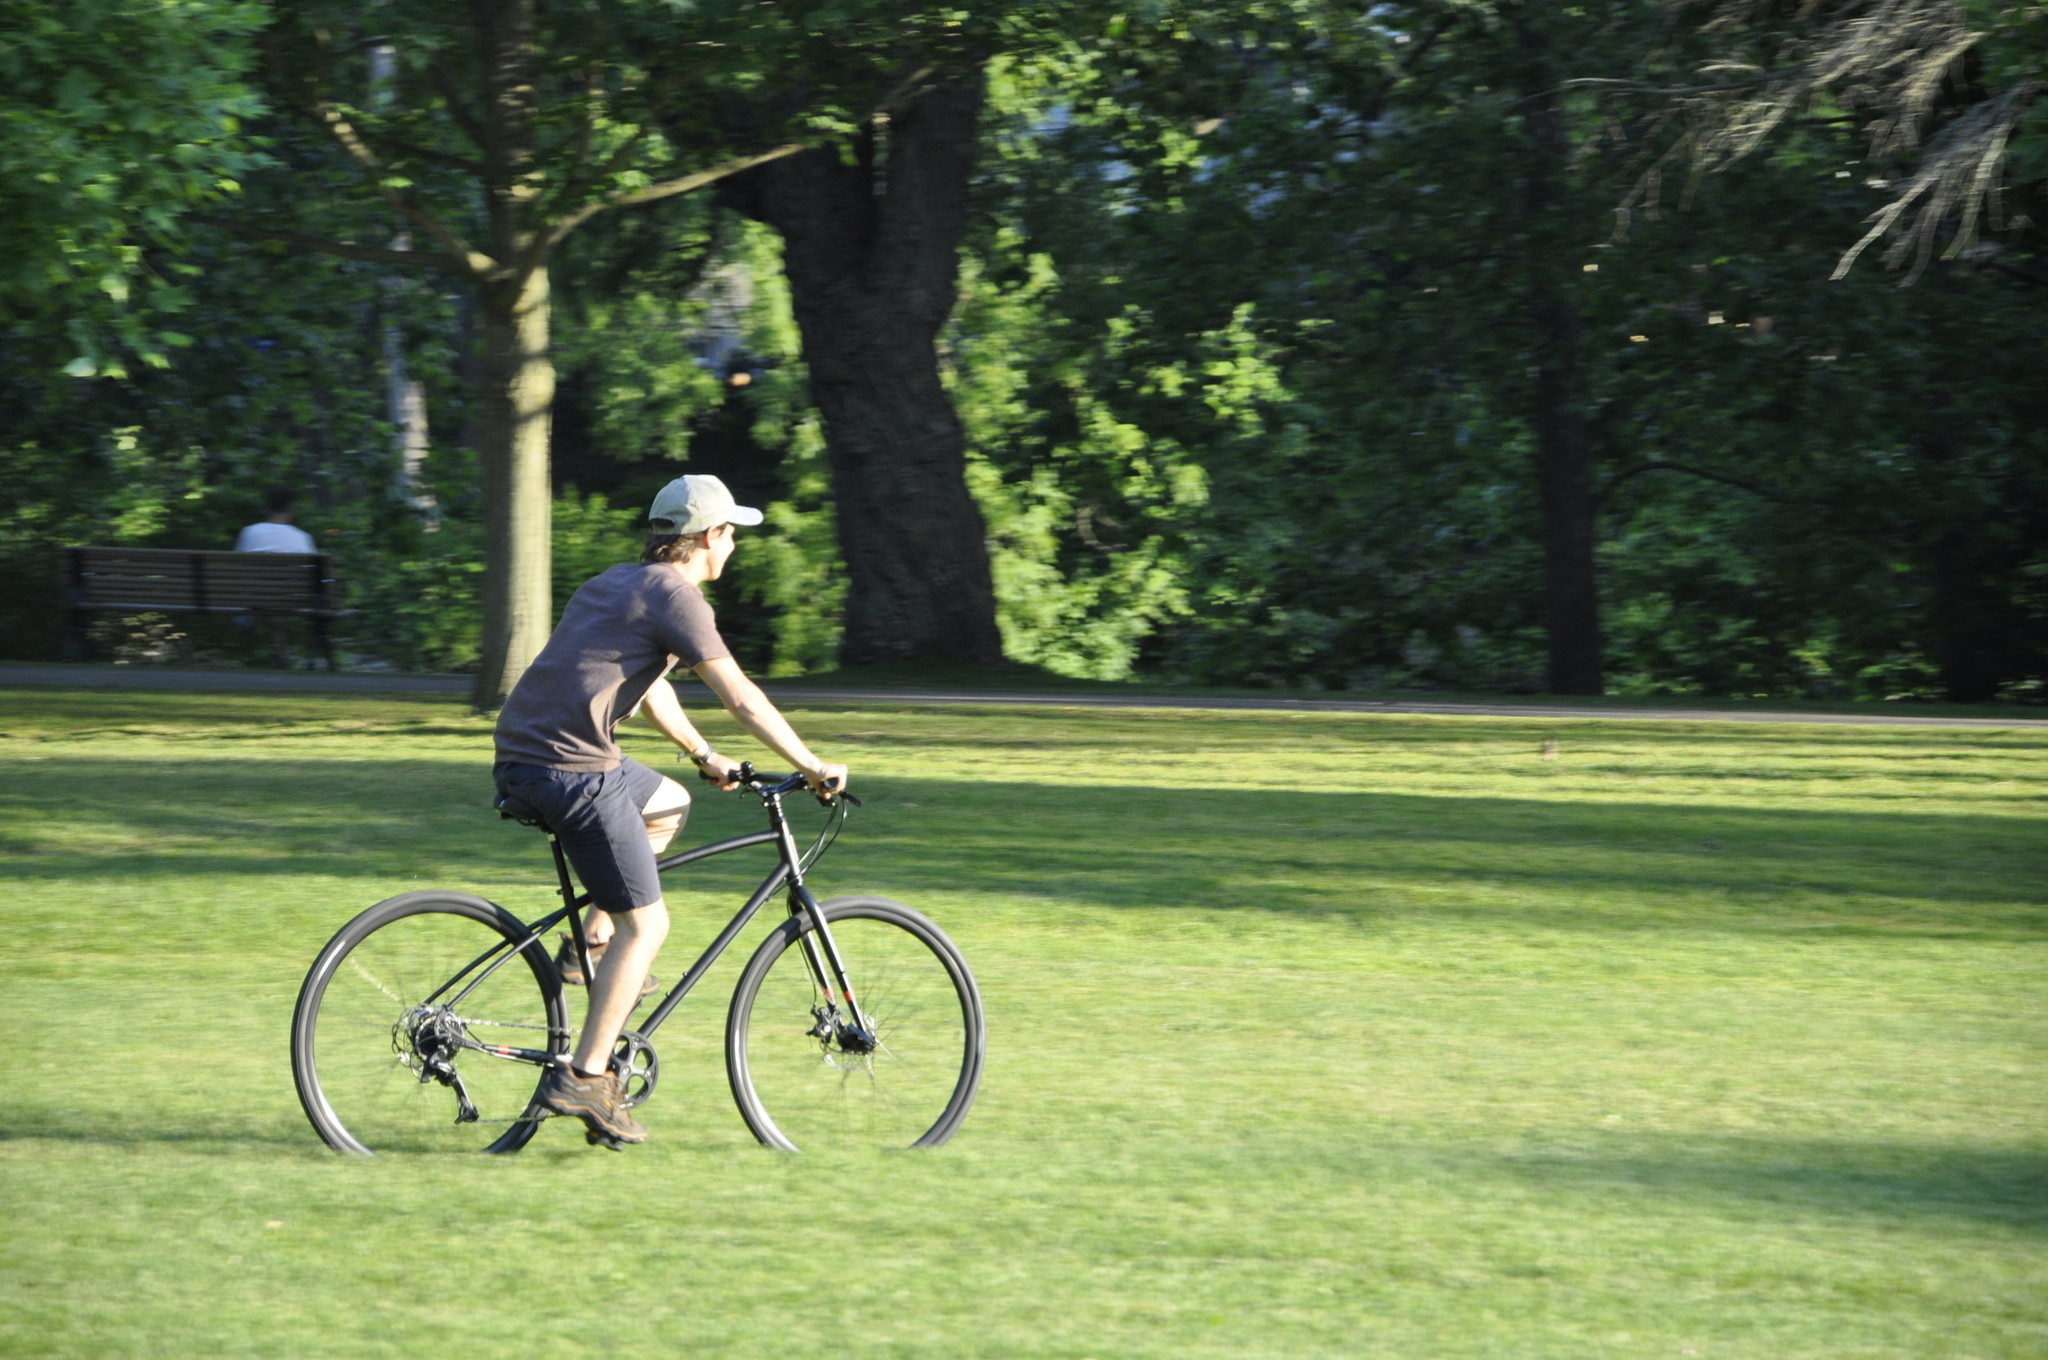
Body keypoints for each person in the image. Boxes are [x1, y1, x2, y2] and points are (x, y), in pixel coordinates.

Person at [491, 474, 849, 1149]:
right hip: (572, 769)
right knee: (648, 927)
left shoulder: (618, 583)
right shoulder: (678, 597)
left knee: (668, 802)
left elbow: (648, 684)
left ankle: (587, 946)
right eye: (732, 535)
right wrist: (811, 764)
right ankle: (588, 1077)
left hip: (528, 755)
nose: (734, 547)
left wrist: (703, 754)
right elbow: (741, 695)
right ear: (710, 537)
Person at [234, 487, 318, 665]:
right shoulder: (302, 537)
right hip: (292, 598)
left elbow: (239, 567)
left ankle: (248, 618)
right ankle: (285, 657)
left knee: (263, 594)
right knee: (274, 603)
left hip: (256, 596)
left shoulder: (249, 532)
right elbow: (311, 574)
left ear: (267, 509)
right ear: (292, 510)